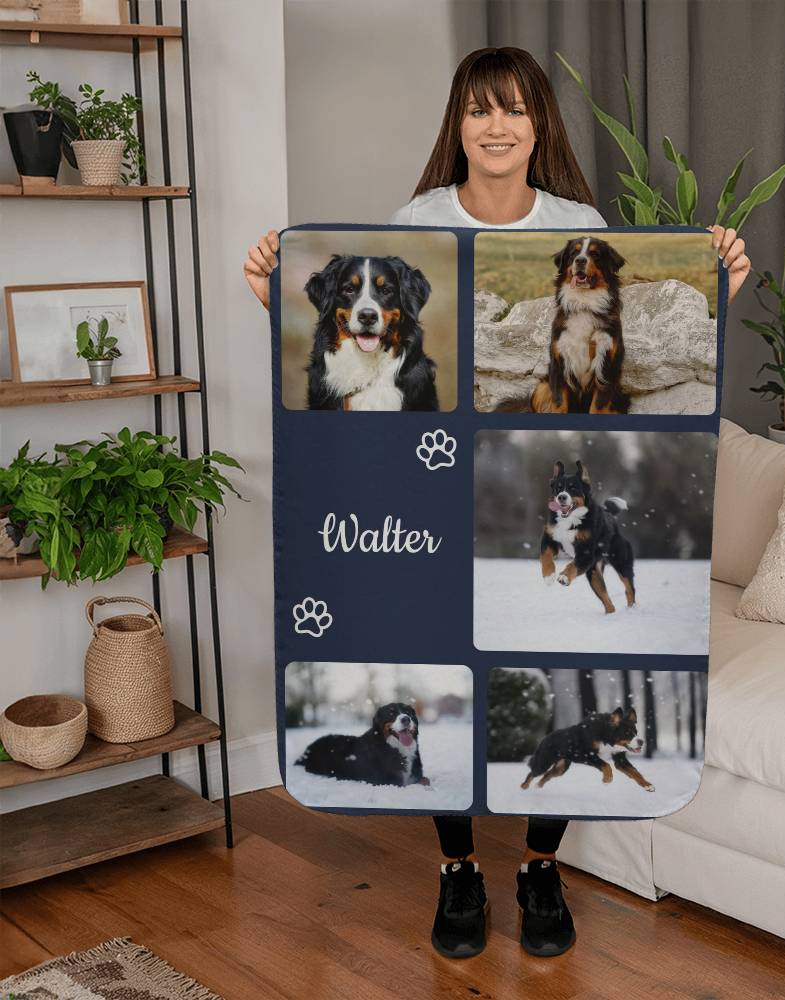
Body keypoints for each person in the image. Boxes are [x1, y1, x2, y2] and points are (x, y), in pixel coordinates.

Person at [243, 46, 750, 961]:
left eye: (514, 108)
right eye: (480, 109)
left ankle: (540, 866)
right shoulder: (418, 220)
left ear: (538, 124)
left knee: (558, 652)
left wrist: (720, 283)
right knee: (430, 649)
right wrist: (270, 292)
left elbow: (629, 333)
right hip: (424, 477)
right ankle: (458, 868)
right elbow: (370, 356)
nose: (497, 125)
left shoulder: (579, 224)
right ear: (460, 124)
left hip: (530, 449)